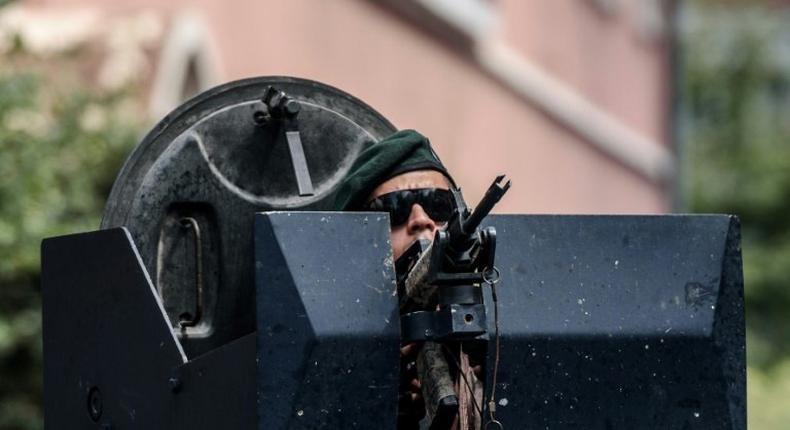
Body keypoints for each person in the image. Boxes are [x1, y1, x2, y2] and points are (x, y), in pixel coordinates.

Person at [332, 130, 481, 430]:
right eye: (394, 209)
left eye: (438, 205)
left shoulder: (495, 336)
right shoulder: (334, 364)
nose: (421, 219)